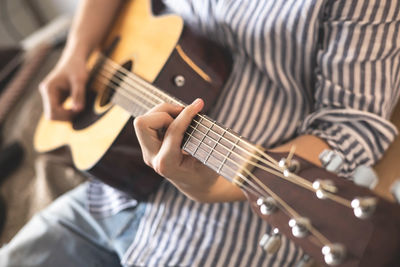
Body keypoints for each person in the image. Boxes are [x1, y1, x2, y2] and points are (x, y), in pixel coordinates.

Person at [1, 0, 400, 266]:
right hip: (110, 195)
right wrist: (76, 52)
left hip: (230, 224)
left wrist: (212, 186)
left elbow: (349, 128)